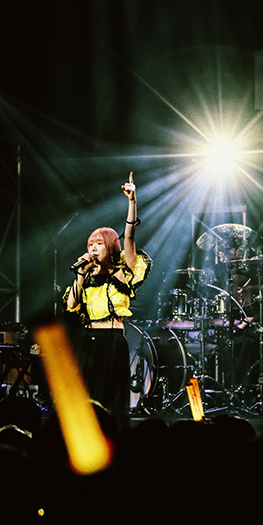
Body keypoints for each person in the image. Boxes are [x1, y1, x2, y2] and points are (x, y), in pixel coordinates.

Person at [63, 173, 152, 428]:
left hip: (112, 341)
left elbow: (130, 236)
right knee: (87, 403)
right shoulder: (86, 274)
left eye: (98, 243)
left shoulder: (123, 271)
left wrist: (132, 201)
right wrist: (80, 275)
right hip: (88, 342)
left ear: (110, 246)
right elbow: (70, 306)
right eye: (90, 244)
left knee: (110, 404)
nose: (92, 248)